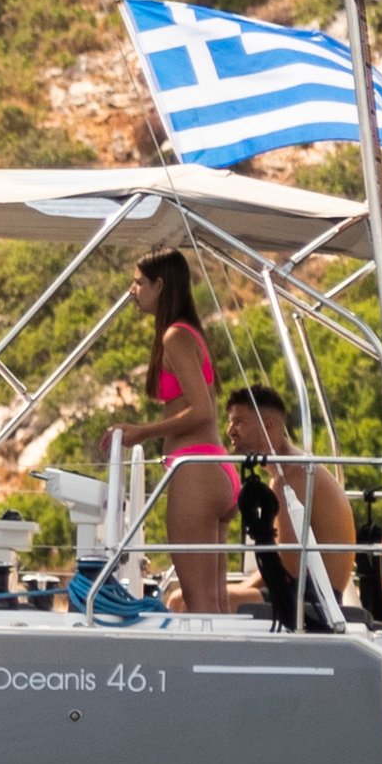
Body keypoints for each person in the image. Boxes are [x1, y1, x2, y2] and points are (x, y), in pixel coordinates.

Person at [136, 250, 238, 616]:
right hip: (215, 469)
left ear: (160, 286)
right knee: (216, 601)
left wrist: (139, 433)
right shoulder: (190, 332)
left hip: (195, 470)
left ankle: (209, 673)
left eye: (139, 283)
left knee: (199, 601)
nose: (133, 290)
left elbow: (201, 410)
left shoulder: (175, 336)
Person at [226, 385, 358, 630]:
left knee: (185, 601)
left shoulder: (292, 477)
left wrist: (239, 589)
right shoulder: (287, 473)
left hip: (312, 602)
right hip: (305, 593)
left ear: (268, 425)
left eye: (239, 422)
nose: (230, 431)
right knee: (205, 595)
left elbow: (289, 568)